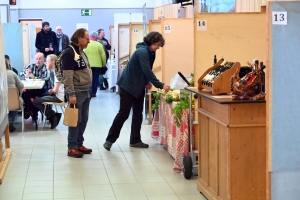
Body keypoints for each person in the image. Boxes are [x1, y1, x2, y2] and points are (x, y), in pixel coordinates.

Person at [103, 32, 170, 151]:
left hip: (138, 86)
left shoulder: (150, 52)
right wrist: (160, 85)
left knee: (138, 114)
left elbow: (144, 71)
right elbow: (147, 70)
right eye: (157, 45)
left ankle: (135, 140)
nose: (158, 47)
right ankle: (109, 140)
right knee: (123, 113)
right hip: (128, 86)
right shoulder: (142, 52)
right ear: (152, 42)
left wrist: (146, 82)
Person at [61, 28, 92, 158]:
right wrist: (71, 94)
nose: (89, 41)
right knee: (75, 120)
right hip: (77, 92)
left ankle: (79, 144)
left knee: (83, 120)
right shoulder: (69, 52)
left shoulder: (81, 51)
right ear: (79, 38)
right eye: (87, 38)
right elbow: (68, 76)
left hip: (85, 90)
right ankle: (72, 147)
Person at [33, 54, 64, 129]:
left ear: (53, 61)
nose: (45, 63)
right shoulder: (56, 71)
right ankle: (52, 116)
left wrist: (51, 91)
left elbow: (55, 90)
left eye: (47, 61)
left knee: (36, 101)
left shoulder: (57, 73)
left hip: (59, 97)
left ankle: (52, 115)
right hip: (60, 95)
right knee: (41, 95)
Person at [22, 52, 53, 121]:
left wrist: (33, 77)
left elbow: (46, 78)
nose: (38, 60)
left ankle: (36, 112)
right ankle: (31, 111)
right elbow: (21, 74)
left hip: (45, 88)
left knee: (39, 98)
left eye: (40, 59)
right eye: (36, 59)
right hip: (35, 88)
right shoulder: (31, 66)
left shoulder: (46, 67)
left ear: (43, 59)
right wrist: (26, 73)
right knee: (25, 93)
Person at [83, 31, 106, 97]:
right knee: (95, 79)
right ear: (97, 37)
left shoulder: (86, 44)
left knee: (89, 79)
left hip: (87, 65)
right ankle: (93, 93)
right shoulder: (99, 45)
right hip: (97, 65)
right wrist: (103, 65)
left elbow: (82, 55)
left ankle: (89, 92)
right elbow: (103, 56)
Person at [5, 59, 24, 132]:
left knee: (4, 107)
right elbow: (21, 88)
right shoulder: (12, 73)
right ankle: (10, 120)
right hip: (13, 102)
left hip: (1, 103)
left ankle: (7, 121)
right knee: (18, 102)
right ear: (7, 64)